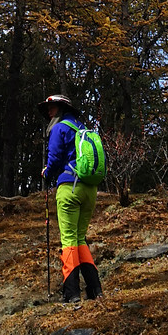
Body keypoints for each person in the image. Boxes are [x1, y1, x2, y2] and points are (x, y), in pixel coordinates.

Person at [40, 94, 103, 303]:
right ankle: (95, 290)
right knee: (79, 238)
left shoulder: (59, 128)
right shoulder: (82, 128)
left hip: (69, 187)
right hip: (90, 189)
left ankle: (72, 294)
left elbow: (55, 158)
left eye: (52, 108)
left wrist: (47, 174)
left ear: (60, 109)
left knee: (68, 239)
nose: (49, 112)